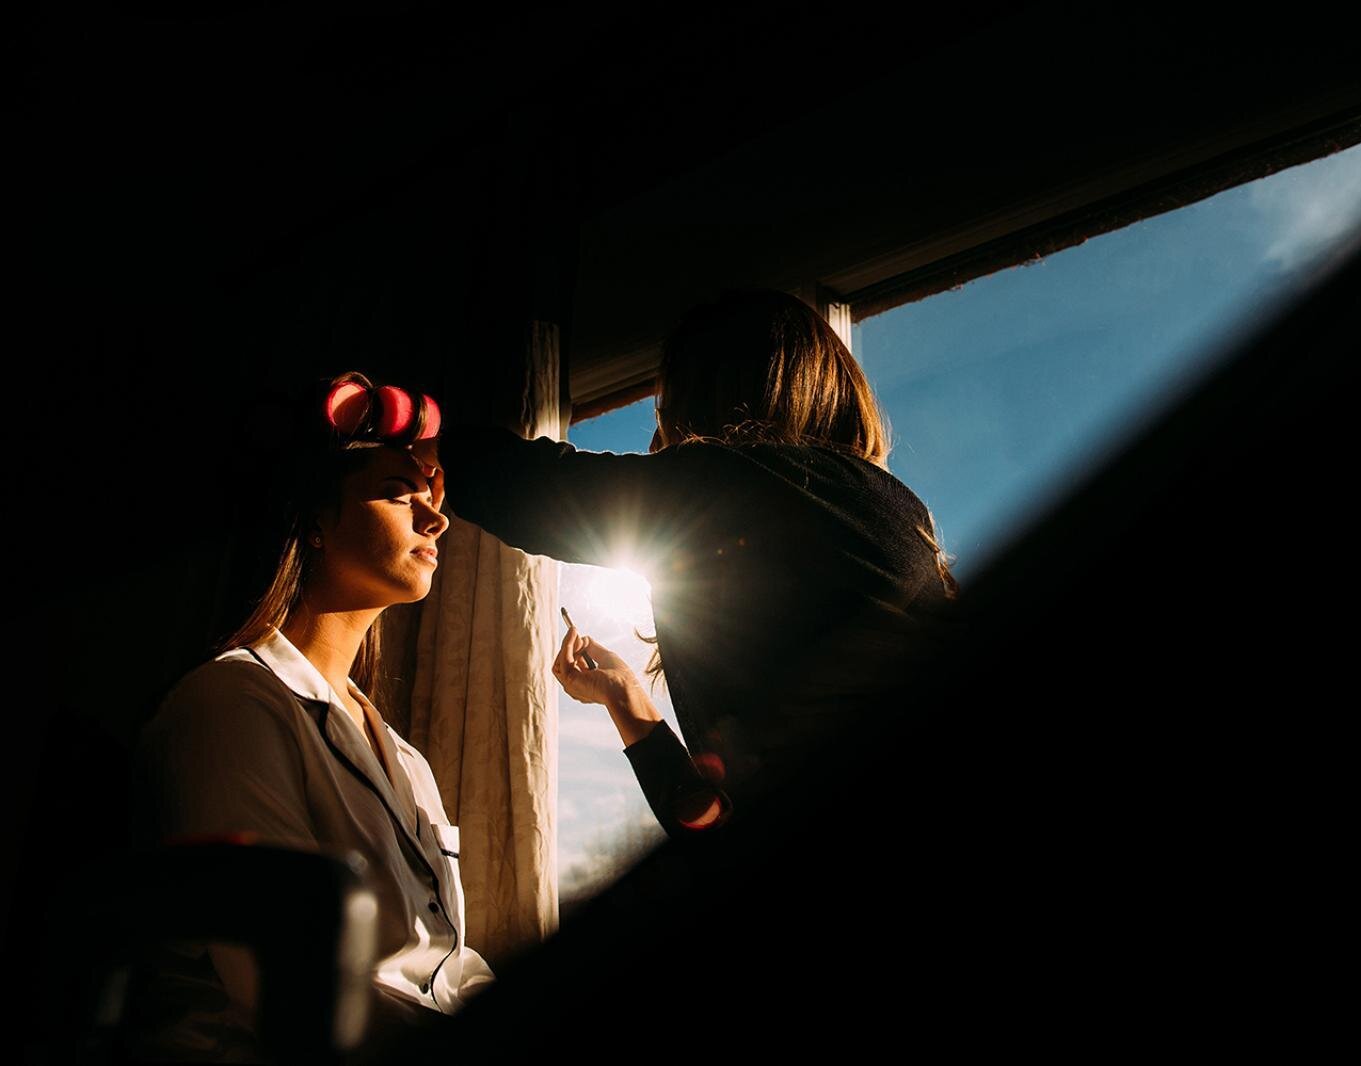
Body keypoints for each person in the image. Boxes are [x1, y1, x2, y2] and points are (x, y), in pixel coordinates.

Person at [430, 288, 959, 839]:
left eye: (668, 401)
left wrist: (428, 438)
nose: (662, 432)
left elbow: (534, 490)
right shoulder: (886, 515)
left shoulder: (754, 485)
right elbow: (715, 818)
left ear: (712, 394)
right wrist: (624, 698)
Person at [129, 372, 493, 1062]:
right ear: (317, 522)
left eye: (434, 495)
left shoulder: (406, 761)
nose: (436, 516)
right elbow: (283, 983)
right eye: (398, 491)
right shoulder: (233, 704)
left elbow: (445, 965)